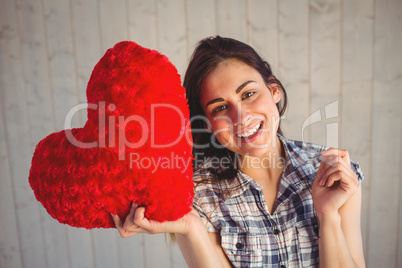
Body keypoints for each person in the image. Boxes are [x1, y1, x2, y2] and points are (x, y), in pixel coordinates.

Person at [111, 36, 365, 268]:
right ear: (207, 125)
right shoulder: (196, 195)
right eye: (220, 107)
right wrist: (190, 227)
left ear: (274, 90)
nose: (240, 117)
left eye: (249, 94)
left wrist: (328, 216)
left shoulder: (334, 174)